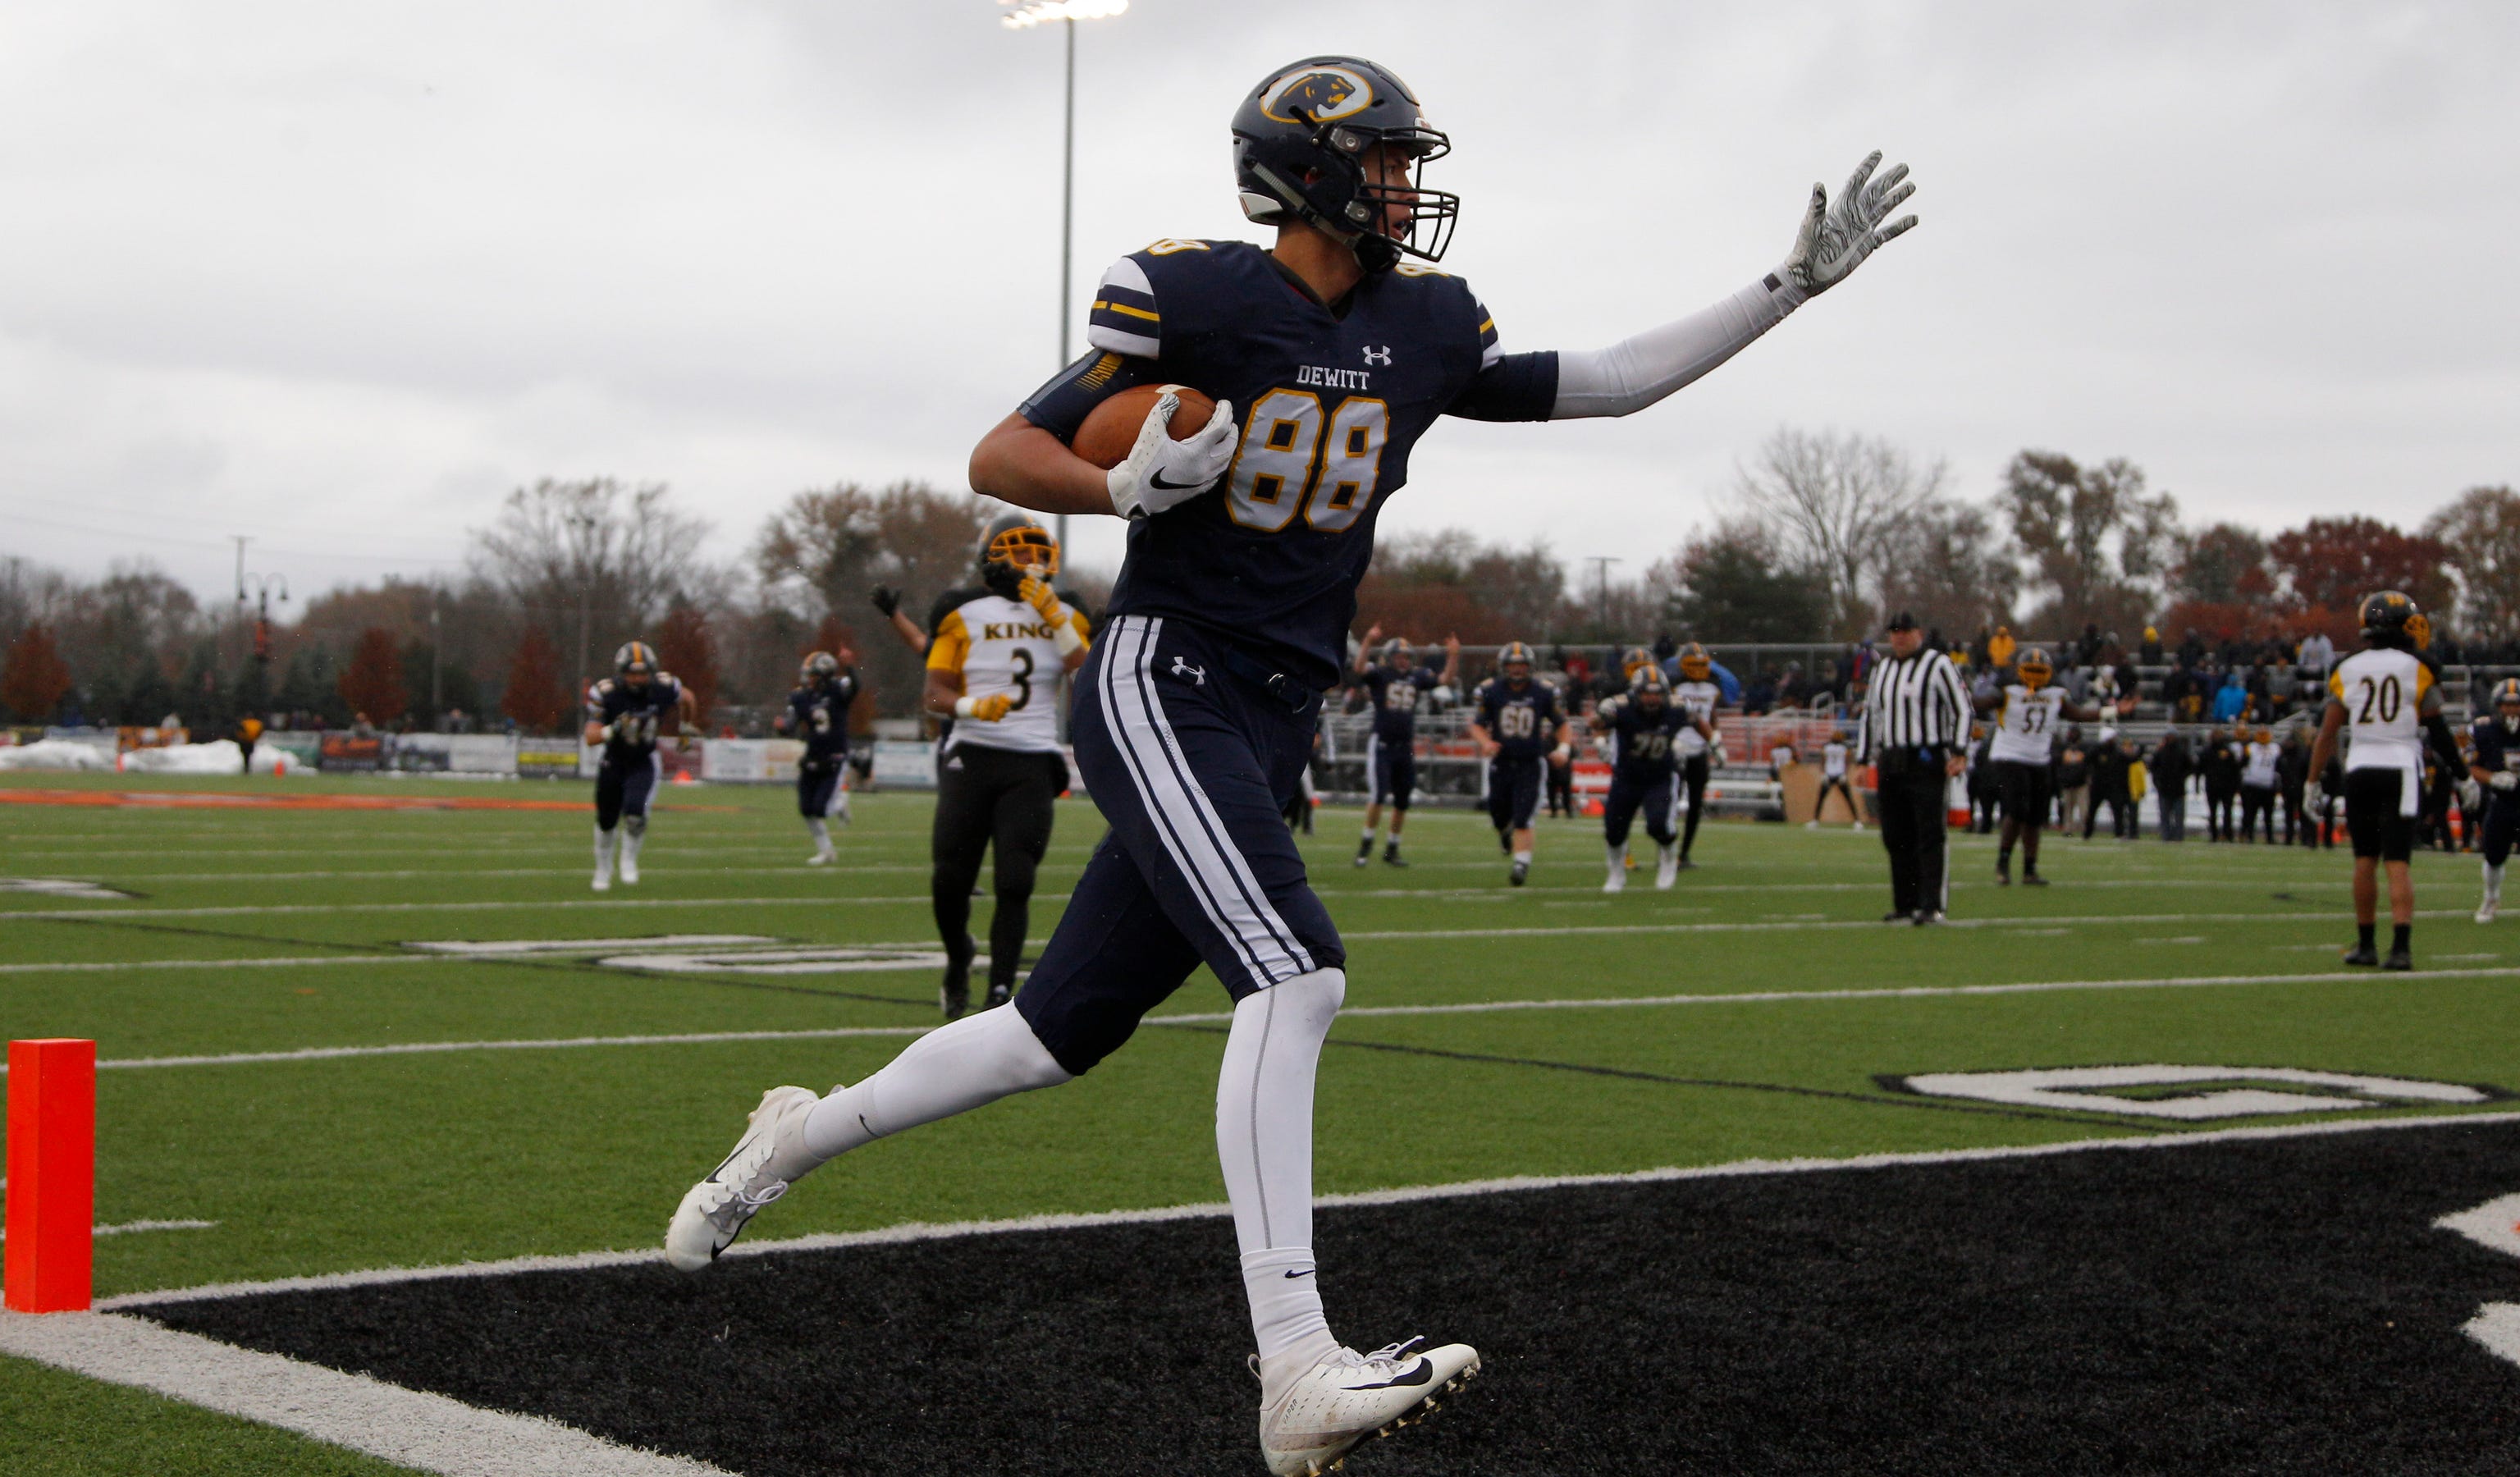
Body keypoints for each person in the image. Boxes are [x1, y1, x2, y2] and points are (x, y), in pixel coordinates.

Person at [661, 55, 1921, 1475]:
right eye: (1385, 161)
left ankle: (784, 1145)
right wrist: (1114, 485)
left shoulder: (1423, 325)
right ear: (1310, 171)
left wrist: (1785, 288)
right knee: (1298, 973)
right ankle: (1296, 1365)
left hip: (1268, 710)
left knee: (1048, 1033)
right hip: (1163, 670)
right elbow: (1005, 451)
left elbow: (1612, 383)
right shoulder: (1198, 296)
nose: (1407, 186)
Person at [917, 515, 1091, 1018]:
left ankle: (999, 990)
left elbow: (1089, 674)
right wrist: (973, 707)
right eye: (1017, 552)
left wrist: (1054, 617)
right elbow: (934, 691)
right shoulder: (962, 611)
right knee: (951, 879)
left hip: (1033, 759)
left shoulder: (1068, 612)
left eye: (1036, 551)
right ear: (992, 558)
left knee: (1016, 879)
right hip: (973, 754)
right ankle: (957, 959)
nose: (1029, 562)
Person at [2306, 590, 2455, 971]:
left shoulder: (2347, 668)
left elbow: (2327, 732)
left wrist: (2312, 781)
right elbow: (2438, 728)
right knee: (2398, 862)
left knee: (2364, 860)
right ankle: (2400, 949)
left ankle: (2367, 945)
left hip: (2360, 768)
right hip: (2400, 767)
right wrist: (2465, 774)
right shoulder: (2417, 667)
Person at [1860, 610, 1969, 924]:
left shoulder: (1938, 665)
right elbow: (1872, 714)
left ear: (1918, 632)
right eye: (1894, 631)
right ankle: (1905, 904)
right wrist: (1863, 757)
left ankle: (1932, 904)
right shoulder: (1882, 669)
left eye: (1905, 631)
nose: (1899, 636)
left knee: (1929, 833)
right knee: (1895, 835)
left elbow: (1962, 708)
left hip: (1926, 759)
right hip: (1891, 760)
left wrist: (1958, 750)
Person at [1982, 646, 2107, 883]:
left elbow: (2078, 714)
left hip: (2039, 758)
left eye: (2040, 671)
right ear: (2020, 670)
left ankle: (2029, 869)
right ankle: (2003, 862)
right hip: (2009, 755)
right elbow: (1981, 703)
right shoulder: (2007, 692)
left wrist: (2111, 711)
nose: (2035, 676)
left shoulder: (2056, 695)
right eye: (2031, 670)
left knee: (2036, 817)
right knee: (2018, 810)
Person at [583, 641, 696, 891]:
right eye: (632, 673)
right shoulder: (607, 692)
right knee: (606, 821)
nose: (637, 678)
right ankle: (603, 868)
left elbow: (688, 698)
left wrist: (685, 728)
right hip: (613, 760)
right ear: (621, 672)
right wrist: (612, 729)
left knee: (636, 814)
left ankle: (629, 861)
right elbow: (590, 738)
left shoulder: (663, 688)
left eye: (642, 673)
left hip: (644, 760)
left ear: (651, 672)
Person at [1594, 664, 1712, 893]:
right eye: (1647, 692)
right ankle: (1616, 873)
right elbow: (1597, 724)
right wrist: (1600, 730)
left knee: (1658, 825)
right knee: (1613, 831)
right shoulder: (1622, 707)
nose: (1652, 698)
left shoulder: (1676, 709)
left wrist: (1714, 742)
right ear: (1636, 692)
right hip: (1626, 777)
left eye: (1657, 693)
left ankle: (1669, 857)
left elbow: (1700, 723)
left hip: (1660, 777)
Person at [1347, 630, 1451, 867]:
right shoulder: (1381, 675)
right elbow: (1360, 667)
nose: (1404, 661)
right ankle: (1366, 845)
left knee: (1403, 799)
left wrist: (1453, 656)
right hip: (1382, 744)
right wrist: (1368, 641)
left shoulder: (1417, 677)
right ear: (1390, 657)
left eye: (1407, 657)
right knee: (1379, 795)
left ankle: (1392, 848)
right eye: (1399, 656)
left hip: (1405, 747)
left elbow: (1444, 679)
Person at [1473, 640, 1561, 886]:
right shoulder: (1492, 690)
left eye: (1521, 665)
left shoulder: (1542, 691)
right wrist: (1485, 742)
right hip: (1501, 762)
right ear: (1504, 666)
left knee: (1523, 817)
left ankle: (1521, 864)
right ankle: (1505, 834)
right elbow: (1477, 724)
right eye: (1513, 664)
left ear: (1529, 667)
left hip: (1530, 763)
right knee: (1498, 814)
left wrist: (1563, 748)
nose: (1517, 669)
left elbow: (1562, 724)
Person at [775, 652, 857, 865]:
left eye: (813, 674)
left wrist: (850, 667)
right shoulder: (802, 696)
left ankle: (839, 804)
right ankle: (827, 851)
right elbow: (791, 724)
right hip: (812, 757)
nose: (808, 678)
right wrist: (783, 728)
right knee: (806, 809)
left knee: (820, 809)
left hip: (834, 757)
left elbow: (855, 688)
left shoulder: (838, 690)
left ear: (825, 674)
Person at [2467, 678, 2520, 921]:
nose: (2511, 710)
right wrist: (2492, 778)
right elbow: (2472, 767)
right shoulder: (2485, 729)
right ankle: (2491, 896)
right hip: (2503, 801)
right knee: (2494, 854)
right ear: (2497, 706)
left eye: (2516, 705)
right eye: (2507, 705)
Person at [1670, 642, 1726, 867]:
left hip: (1700, 750)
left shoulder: (1713, 686)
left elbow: (1711, 717)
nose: (1698, 669)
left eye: (1702, 665)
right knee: (1671, 802)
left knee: (1695, 804)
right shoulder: (1675, 685)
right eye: (1693, 665)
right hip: (1677, 748)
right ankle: (1668, 851)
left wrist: (1716, 741)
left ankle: (1684, 854)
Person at [2239, 724, 2281, 843]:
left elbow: (2279, 767)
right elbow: (2242, 764)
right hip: (2252, 785)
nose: (2263, 736)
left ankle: (2269, 837)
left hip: (2268, 786)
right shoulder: (2250, 747)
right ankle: (2249, 836)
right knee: (2250, 814)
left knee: (2268, 816)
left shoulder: (2275, 748)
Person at [2147, 729, 2193, 842]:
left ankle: (2178, 836)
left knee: (2178, 816)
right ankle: (2166, 836)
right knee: (2165, 816)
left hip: (2178, 789)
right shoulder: (2161, 752)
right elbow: (2153, 768)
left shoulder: (2182, 752)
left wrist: (2182, 777)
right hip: (2164, 789)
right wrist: (2158, 781)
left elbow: (2190, 767)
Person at [2199, 726, 2240, 841]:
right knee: (2213, 813)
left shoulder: (2228, 751)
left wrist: (2235, 785)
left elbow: (2235, 769)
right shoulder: (2207, 751)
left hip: (2227, 787)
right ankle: (2214, 835)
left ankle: (2228, 834)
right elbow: (2200, 768)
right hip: (2212, 786)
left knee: (2227, 813)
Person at [1814, 729, 1860, 828]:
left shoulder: (1844, 747)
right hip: (1829, 774)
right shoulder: (1827, 746)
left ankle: (1857, 821)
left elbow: (1847, 761)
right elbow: (1823, 760)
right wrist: (1823, 773)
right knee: (1821, 798)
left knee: (1848, 798)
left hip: (1839, 775)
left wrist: (1845, 774)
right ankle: (1815, 820)